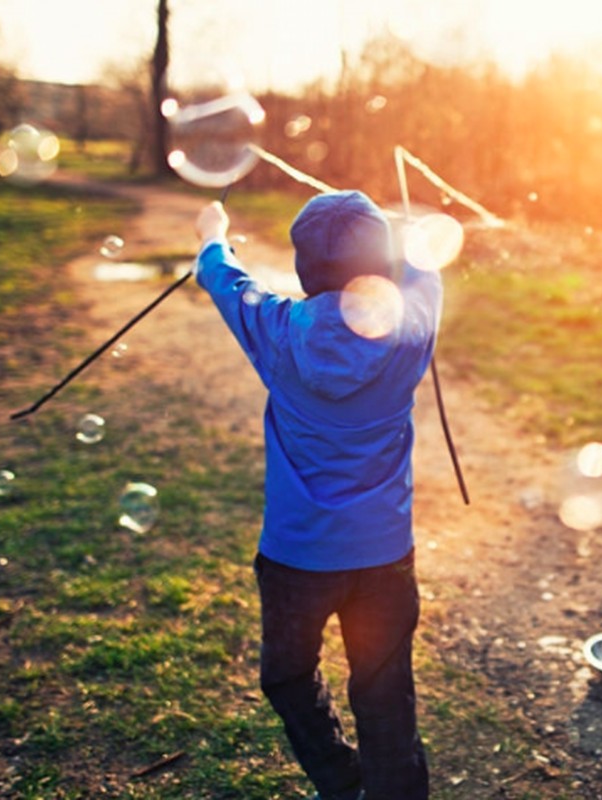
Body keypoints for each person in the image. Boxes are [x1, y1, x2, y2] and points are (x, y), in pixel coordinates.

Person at [193, 190, 442, 800]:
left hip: (295, 557)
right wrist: (404, 232)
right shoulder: (414, 323)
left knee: (286, 676)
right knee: (384, 692)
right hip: (384, 556)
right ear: (380, 263)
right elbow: (425, 265)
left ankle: (340, 776)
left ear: (304, 269)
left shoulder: (277, 328)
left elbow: (222, 278)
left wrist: (212, 233)